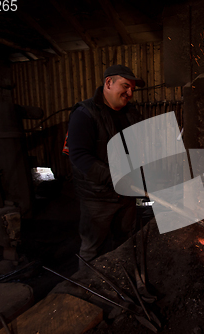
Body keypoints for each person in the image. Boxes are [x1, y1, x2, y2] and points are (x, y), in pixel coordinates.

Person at [68, 64, 145, 264]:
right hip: (98, 198)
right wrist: (117, 179)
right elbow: (79, 156)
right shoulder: (84, 114)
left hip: (127, 196)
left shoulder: (132, 114)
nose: (129, 93)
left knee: (125, 244)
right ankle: (86, 290)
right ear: (108, 83)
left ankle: (120, 284)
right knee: (93, 249)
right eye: (125, 86)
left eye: (132, 90)